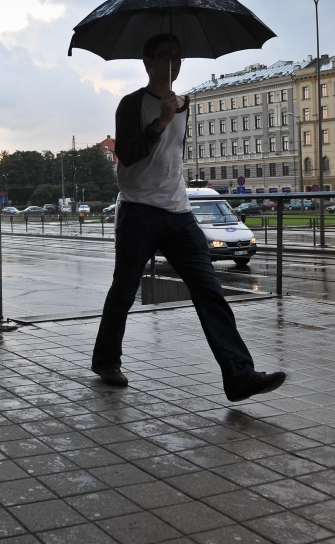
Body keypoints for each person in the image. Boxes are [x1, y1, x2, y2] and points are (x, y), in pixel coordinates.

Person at [92, 33, 286, 402]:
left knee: (209, 290)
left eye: (177, 56)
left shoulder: (185, 104)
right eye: (164, 56)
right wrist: (161, 121)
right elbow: (130, 156)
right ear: (148, 62)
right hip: (138, 211)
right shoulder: (130, 104)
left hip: (179, 213)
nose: (173, 63)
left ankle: (239, 377)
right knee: (124, 289)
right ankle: (105, 361)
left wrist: (174, 113)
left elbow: (170, 161)